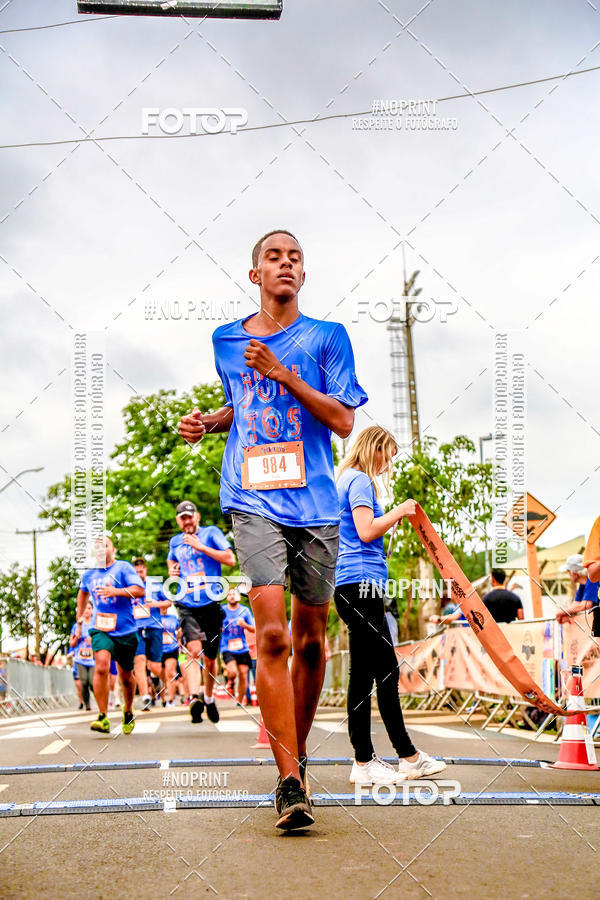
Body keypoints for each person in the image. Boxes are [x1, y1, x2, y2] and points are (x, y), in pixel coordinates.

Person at [179, 229, 367, 830]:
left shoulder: (328, 337)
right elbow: (244, 402)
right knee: (273, 636)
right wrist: (210, 423)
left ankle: (298, 754)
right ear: (255, 274)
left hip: (316, 505)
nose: (285, 264)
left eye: (295, 258)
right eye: (273, 257)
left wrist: (285, 373)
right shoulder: (226, 340)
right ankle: (289, 780)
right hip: (251, 498)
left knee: (310, 641)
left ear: (303, 275)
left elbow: (342, 421)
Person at [334, 426, 446, 785]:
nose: (388, 464)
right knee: (382, 671)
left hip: (352, 584)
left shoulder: (344, 479)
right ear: (374, 448)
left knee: (369, 674)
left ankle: (377, 759)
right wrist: (399, 511)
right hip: (361, 584)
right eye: (388, 455)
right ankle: (397, 757)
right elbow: (366, 530)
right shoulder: (359, 480)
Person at [167, 500, 235, 725]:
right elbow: (172, 563)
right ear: (178, 521)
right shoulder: (175, 541)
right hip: (187, 603)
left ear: (196, 517)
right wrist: (173, 572)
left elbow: (230, 559)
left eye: (189, 516)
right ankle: (195, 698)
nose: (187, 521)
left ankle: (208, 697)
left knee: (211, 658)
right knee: (193, 651)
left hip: (211, 602)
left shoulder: (211, 533)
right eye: (182, 518)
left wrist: (201, 547)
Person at [76, 536, 145, 734]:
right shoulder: (89, 574)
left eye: (104, 545)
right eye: (97, 546)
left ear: (112, 549)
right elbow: (82, 592)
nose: (100, 549)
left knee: (126, 676)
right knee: (101, 666)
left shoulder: (123, 568)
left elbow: (139, 590)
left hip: (125, 629)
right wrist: (80, 616)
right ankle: (103, 716)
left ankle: (128, 710)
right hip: (100, 627)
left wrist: (115, 591)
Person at [132, 557, 171, 710]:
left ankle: (156, 679)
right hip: (136, 628)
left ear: (145, 570)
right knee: (139, 660)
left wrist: (154, 604)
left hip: (154, 626)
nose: (139, 574)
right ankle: (145, 697)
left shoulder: (155, 584)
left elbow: (168, 602)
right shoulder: (129, 586)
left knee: (155, 667)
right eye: (136, 572)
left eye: (141, 571)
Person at [220, 587, 255, 704]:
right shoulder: (222, 610)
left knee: (244, 675)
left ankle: (239, 701)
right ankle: (231, 681)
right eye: (229, 594)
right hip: (227, 647)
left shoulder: (245, 610)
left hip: (242, 648)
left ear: (239, 596)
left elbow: (253, 629)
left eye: (234, 594)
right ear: (226, 597)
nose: (232, 596)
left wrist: (244, 625)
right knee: (233, 672)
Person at [556, 554, 599, 625]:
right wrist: (567, 613)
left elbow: (585, 605)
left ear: (575, 573)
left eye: (569, 572)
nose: (569, 575)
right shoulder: (583, 584)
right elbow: (576, 604)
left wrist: (562, 612)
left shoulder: (592, 581)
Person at [70, 600, 95, 710]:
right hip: (80, 659)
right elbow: (72, 643)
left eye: (89, 608)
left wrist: (93, 640)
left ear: (92, 610)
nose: (87, 611)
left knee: (92, 682)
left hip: (93, 659)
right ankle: (87, 703)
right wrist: (79, 629)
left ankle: (100, 699)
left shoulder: (95, 624)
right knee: (83, 682)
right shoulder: (76, 625)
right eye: (84, 608)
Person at [160, 609, 181, 707]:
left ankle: (170, 700)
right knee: (162, 676)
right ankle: (163, 699)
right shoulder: (155, 618)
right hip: (159, 649)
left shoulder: (173, 618)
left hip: (172, 648)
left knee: (170, 673)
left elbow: (179, 630)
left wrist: (178, 640)